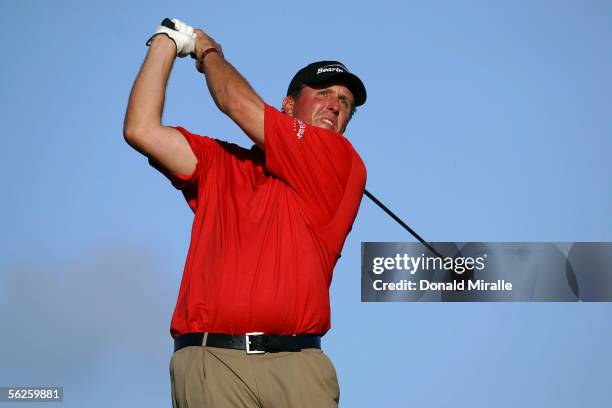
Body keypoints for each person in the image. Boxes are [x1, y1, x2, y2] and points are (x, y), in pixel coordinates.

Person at [123, 18, 367, 408]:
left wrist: (206, 51)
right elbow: (141, 130)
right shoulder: (223, 163)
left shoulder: (339, 161)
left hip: (297, 367)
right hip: (211, 360)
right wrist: (166, 41)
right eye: (323, 93)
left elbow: (236, 103)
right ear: (288, 106)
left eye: (346, 104)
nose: (336, 105)